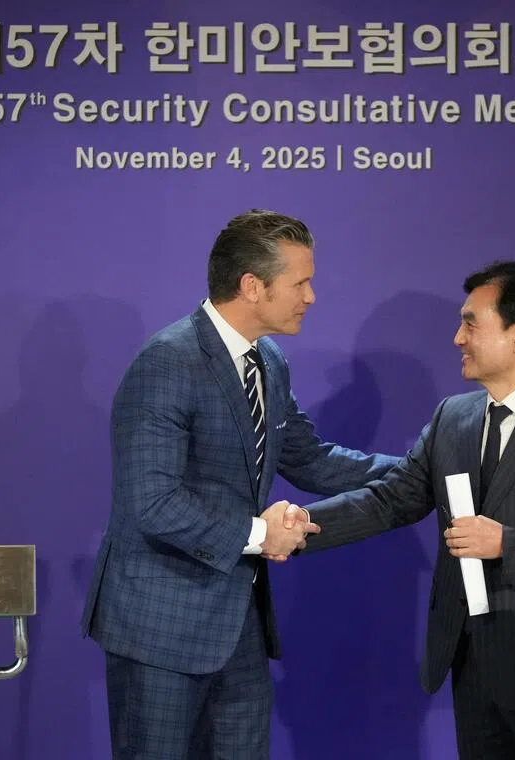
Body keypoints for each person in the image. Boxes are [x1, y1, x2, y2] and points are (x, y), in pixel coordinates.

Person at [81, 209, 400, 759]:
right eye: (300, 282)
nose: (312, 296)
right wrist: (259, 534)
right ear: (252, 286)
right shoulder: (168, 361)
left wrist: (419, 468)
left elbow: (311, 458)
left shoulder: (267, 361)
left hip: (238, 629)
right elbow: (153, 503)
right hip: (160, 628)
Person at [300, 261, 515, 759]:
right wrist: (298, 529)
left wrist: (508, 543)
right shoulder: (453, 417)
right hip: (471, 670)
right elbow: (391, 499)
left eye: (471, 323)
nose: (457, 338)